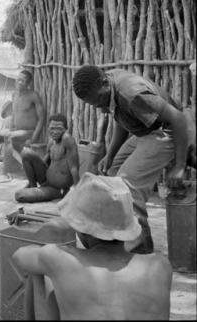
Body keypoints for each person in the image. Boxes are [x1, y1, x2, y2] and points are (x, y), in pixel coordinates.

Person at [12, 173, 172, 320]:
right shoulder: (160, 266)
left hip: (60, 257)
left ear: (81, 230)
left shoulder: (59, 259)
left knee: (42, 276)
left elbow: (19, 256)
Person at [72, 65, 189, 254]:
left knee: (127, 188)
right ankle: (120, 236)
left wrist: (180, 166)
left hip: (164, 132)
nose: (101, 110)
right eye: (96, 106)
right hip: (145, 132)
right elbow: (123, 118)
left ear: (103, 83)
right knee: (111, 177)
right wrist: (110, 155)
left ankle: (143, 252)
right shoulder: (108, 84)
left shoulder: (132, 93)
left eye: (100, 103)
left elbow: (179, 118)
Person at [0, 70, 45, 183]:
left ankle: (5, 174)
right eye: (18, 79)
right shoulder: (14, 95)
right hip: (16, 130)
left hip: (28, 131)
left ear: (28, 83)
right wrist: (10, 127)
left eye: (23, 80)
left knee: (9, 137)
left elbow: (41, 118)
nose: (19, 82)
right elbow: (15, 114)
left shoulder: (33, 96)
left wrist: (34, 137)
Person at [15, 113, 79, 203]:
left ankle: (39, 191)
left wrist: (77, 190)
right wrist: (32, 170)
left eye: (59, 129)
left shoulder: (67, 139)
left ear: (66, 129)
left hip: (58, 189)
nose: (55, 132)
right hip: (46, 181)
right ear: (48, 127)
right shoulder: (51, 141)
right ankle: (32, 186)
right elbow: (45, 162)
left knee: (19, 195)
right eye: (52, 128)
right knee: (26, 152)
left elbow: (74, 167)